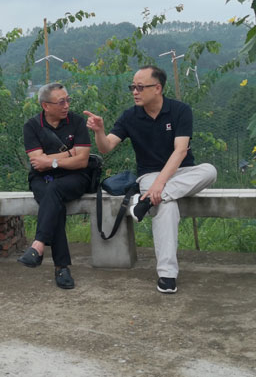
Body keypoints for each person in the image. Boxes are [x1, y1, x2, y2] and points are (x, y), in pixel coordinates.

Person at [84, 65, 217, 294]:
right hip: (150, 175)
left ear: (157, 88)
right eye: (132, 87)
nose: (134, 91)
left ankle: (145, 202)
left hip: (182, 172)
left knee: (210, 171)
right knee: (166, 205)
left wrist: (159, 187)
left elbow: (180, 151)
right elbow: (106, 148)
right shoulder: (129, 116)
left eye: (140, 87)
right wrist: (99, 131)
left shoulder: (180, 111)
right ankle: (167, 275)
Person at [18, 83, 91, 289]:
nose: (66, 105)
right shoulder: (32, 126)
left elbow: (83, 160)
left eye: (68, 100)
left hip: (75, 178)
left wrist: (51, 161)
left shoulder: (76, 121)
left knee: (54, 192)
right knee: (54, 201)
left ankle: (38, 245)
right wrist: (69, 153)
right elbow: (36, 163)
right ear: (45, 106)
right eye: (61, 102)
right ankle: (61, 268)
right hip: (42, 180)